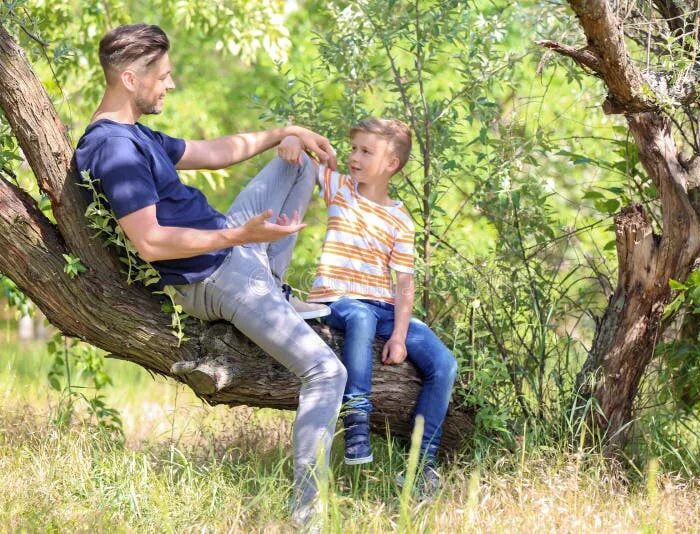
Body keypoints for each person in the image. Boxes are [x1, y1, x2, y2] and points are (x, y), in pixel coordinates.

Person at [72, 23, 345, 526]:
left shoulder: (136, 136)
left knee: (297, 161)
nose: (170, 85)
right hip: (215, 274)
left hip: (230, 247)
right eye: (164, 76)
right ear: (131, 79)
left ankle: (277, 291)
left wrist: (288, 132)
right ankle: (308, 515)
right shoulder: (115, 150)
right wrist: (237, 240)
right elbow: (150, 241)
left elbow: (213, 151)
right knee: (327, 371)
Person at [276, 118, 458, 494]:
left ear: (391, 164)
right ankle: (357, 418)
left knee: (444, 363)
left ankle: (421, 466)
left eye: (365, 151)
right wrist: (292, 137)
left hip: (383, 307)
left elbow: (404, 284)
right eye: (354, 148)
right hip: (337, 299)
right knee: (358, 316)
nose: (354, 157)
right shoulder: (340, 188)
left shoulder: (400, 218)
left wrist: (401, 336)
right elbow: (299, 145)